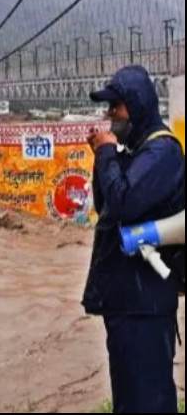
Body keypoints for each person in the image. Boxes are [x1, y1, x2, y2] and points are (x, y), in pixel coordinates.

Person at [84, 64, 185, 413]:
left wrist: (106, 153)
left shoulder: (162, 153)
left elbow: (126, 203)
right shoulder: (136, 154)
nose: (110, 115)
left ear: (138, 104)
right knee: (129, 401)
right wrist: (104, 159)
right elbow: (108, 208)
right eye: (108, 108)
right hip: (127, 303)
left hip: (146, 306)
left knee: (149, 401)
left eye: (116, 106)